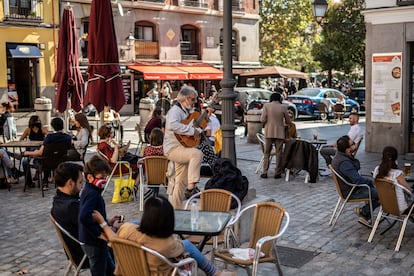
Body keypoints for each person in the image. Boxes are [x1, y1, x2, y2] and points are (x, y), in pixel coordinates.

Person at [93, 195, 232, 276]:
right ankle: (213, 272)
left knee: (134, 223)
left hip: (129, 272)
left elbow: (113, 239)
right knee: (188, 245)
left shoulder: (126, 230)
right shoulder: (168, 244)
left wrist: (104, 223)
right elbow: (181, 253)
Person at [163, 86, 203, 208]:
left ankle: (176, 209)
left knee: (180, 182)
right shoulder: (175, 110)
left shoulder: (186, 111)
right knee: (197, 154)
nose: (195, 101)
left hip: (182, 147)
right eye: (193, 99)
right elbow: (172, 124)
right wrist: (190, 131)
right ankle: (192, 185)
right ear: (185, 99)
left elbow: (195, 124)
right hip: (173, 148)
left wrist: (207, 116)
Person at [331, 135, 380, 227]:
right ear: (348, 150)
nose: (355, 144)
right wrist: (371, 181)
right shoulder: (344, 162)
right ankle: (364, 212)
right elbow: (358, 180)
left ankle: (366, 214)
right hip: (352, 191)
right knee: (383, 194)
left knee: (377, 192)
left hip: (351, 188)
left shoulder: (340, 156)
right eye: (353, 144)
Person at [78, 155, 115, 276]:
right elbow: (84, 216)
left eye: (105, 177)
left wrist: (107, 221)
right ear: (89, 177)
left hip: (96, 242)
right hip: (93, 242)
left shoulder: (90, 190)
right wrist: (98, 234)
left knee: (110, 267)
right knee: (99, 270)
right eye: (101, 177)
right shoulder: (92, 193)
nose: (104, 181)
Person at [50, 162, 86, 266]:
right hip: (86, 254)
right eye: (80, 182)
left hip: (75, 251)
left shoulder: (57, 200)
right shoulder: (71, 206)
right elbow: (94, 230)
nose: (82, 186)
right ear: (70, 183)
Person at [23, 117, 72, 189]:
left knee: (41, 160)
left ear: (52, 126)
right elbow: (69, 148)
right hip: (61, 161)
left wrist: (27, 153)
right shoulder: (68, 137)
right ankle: (46, 181)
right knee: (48, 158)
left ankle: (42, 183)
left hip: (46, 162)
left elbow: (40, 153)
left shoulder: (49, 137)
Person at [373, 146, 414, 213]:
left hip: (385, 205)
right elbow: (409, 190)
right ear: (395, 158)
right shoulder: (397, 174)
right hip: (400, 208)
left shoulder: (377, 170)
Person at [260, 92, 291, 179]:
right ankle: (277, 172)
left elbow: (262, 119)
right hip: (280, 132)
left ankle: (265, 172)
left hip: (269, 131)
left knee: (266, 153)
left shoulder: (266, 106)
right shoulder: (283, 107)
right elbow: (288, 121)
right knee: (279, 153)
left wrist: (265, 123)